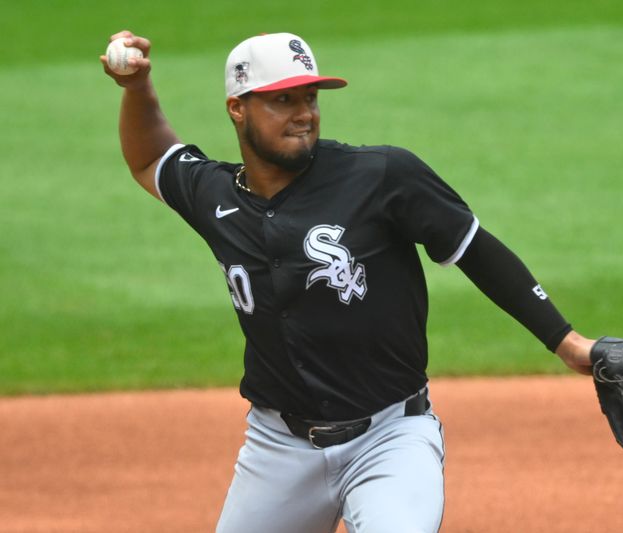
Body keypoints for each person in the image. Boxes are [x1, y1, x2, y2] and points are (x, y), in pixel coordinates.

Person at [102, 29, 595, 533]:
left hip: (389, 440)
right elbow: (150, 158)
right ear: (238, 108)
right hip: (277, 450)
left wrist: (568, 342)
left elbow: (477, 251)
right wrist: (136, 89)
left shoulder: (382, 175)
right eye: (282, 100)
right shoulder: (215, 196)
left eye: (310, 97)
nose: (304, 113)